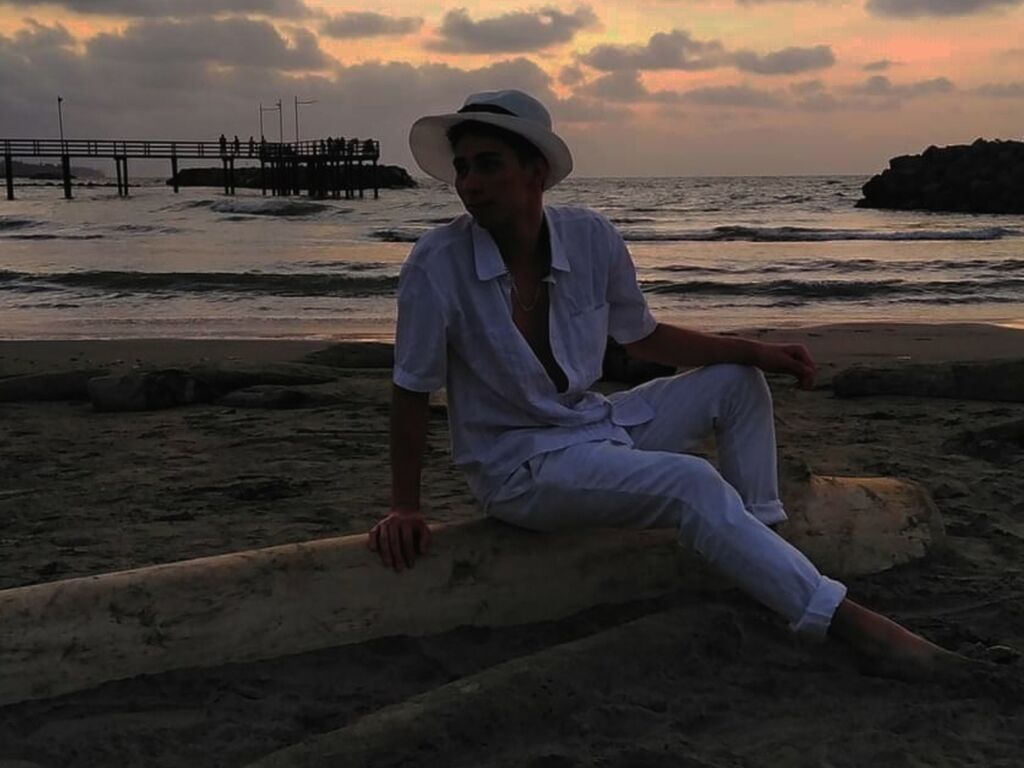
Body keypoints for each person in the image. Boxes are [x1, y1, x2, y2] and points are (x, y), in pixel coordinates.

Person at [368, 88, 965, 680]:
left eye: (488, 165)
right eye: (463, 168)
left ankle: (762, 546)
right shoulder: (436, 262)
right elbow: (412, 388)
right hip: (519, 467)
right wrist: (404, 506)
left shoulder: (589, 236)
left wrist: (755, 352)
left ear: (536, 172)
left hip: (594, 426)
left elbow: (643, 338)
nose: (469, 184)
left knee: (736, 382)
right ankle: (848, 624)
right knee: (690, 481)